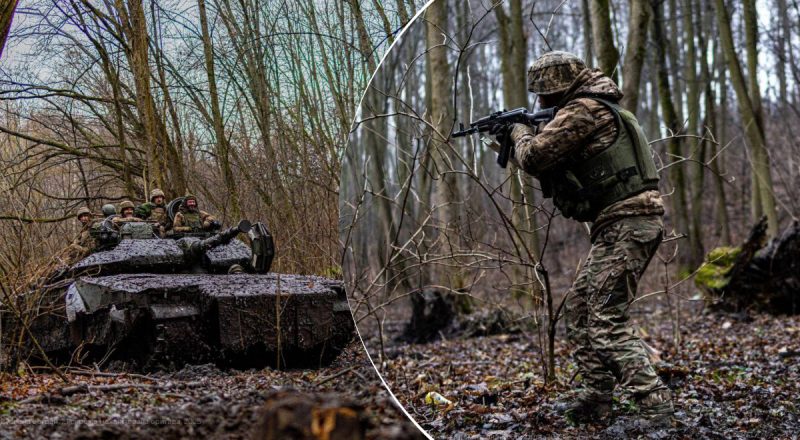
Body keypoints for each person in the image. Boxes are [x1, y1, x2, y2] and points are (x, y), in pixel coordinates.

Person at [491, 51, 672, 426]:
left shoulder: (584, 110)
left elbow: (535, 157)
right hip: (620, 224)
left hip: (629, 222)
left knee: (606, 319)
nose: (541, 102)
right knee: (579, 311)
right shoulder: (592, 107)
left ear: (558, 90)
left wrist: (519, 131)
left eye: (544, 95)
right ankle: (596, 396)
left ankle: (655, 405)